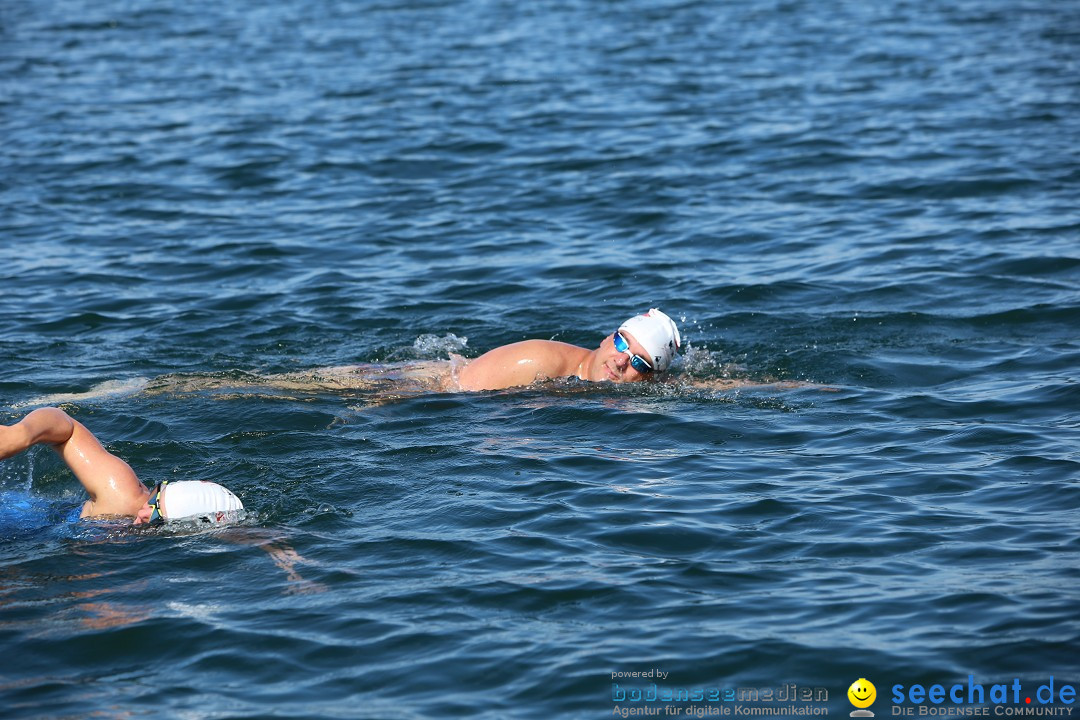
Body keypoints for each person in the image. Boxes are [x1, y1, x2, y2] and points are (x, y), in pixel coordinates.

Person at [0, 407, 243, 525]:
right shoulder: (124, 496)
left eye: (157, 517)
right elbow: (66, 426)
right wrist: (19, 436)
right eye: (154, 498)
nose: (144, 512)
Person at [457, 308, 682, 391]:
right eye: (622, 343)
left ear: (650, 379)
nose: (621, 361)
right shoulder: (540, 361)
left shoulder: (649, 386)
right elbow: (455, 388)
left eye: (639, 362)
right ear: (606, 339)